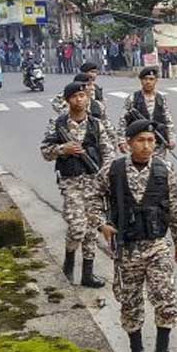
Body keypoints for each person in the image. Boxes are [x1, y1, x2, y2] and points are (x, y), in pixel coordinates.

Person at [96, 119, 177, 352]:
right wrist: (101, 223)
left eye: (151, 141)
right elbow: (93, 196)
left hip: (157, 245)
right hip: (128, 249)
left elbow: (175, 207)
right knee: (131, 302)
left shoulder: (164, 169)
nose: (146, 146)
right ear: (128, 144)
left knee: (166, 298)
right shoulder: (112, 170)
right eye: (140, 141)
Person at [40, 82, 114, 288]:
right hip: (70, 182)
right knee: (77, 226)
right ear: (67, 100)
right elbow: (45, 151)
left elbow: (108, 152)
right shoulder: (58, 123)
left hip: (94, 182)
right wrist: (64, 149)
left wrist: (105, 175)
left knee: (91, 227)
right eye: (75, 96)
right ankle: (69, 261)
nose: (79, 99)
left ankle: (88, 274)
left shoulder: (96, 124)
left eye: (83, 95)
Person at [52, 73, 119, 151]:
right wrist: (63, 149)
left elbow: (106, 124)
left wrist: (114, 143)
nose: (92, 88)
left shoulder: (97, 106)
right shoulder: (61, 118)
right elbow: (46, 149)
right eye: (88, 85)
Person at [119, 66, 175, 158]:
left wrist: (171, 138)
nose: (148, 82)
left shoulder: (160, 98)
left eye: (151, 79)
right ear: (141, 80)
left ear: (156, 80)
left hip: (158, 142)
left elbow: (168, 120)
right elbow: (123, 121)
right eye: (145, 79)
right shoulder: (133, 98)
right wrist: (122, 141)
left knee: (158, 169)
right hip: (139, 143)